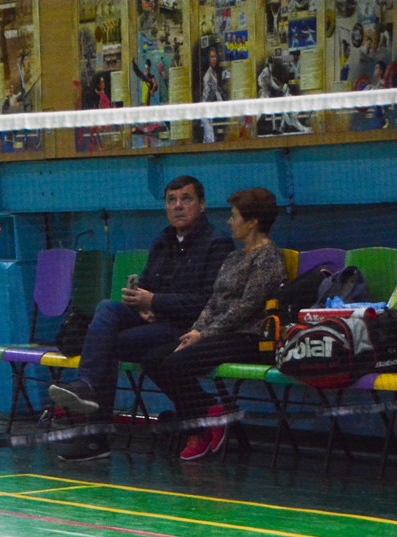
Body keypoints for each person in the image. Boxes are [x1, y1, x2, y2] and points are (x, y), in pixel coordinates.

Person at [48, 176, 234, 461]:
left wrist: (154, 301)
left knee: (106, 345)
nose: (178, 206)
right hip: (154, 321)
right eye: (171, 200)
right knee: (108, 309)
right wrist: (140, 303)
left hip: (188, 328)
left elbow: (207, 302)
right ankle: (86, 386)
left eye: (186, 199)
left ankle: (96, 435)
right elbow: (148, 285)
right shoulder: (163, 241)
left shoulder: (218, 244)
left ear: (202, 205)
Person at [140, 188, 287, 461]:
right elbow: (213, 301)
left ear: (252, 222)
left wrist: (204, 334)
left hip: (250, 338)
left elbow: (246, 308)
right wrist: (195, 330)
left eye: (234, 216)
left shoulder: (268, 258)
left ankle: (198, 430)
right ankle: (211, 412)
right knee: (152, 359)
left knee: (175, 364)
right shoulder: (233, 258)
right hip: (218, 334)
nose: (229, 222)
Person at [201, 46, 224, 143]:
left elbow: (216, 90)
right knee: (209, 138)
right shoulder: (208, 75)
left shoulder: (214, 73)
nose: (213, 59)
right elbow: (207, 93)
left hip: (209, 110)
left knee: (208, 138)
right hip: (205, 109)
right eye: (211, 57)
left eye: (215, 56)